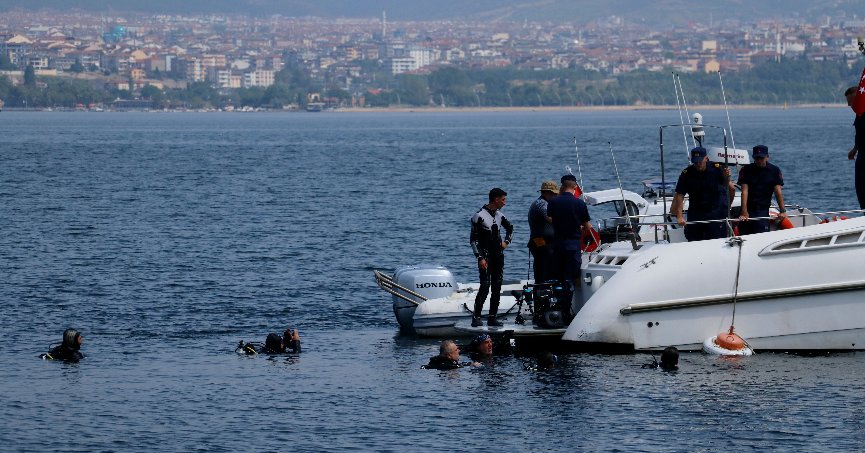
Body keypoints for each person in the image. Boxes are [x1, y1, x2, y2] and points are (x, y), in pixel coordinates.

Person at [470, 187, 514, 327]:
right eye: (503, 199)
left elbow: (510, 228)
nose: (504, 202)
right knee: (485, 285)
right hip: (486, 256)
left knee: (497, 286)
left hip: (498, 256)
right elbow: (473, 240)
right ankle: (476, 317)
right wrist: (480, 258)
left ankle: (492, 317)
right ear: (496, 199)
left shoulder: (500, 215)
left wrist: (506, 242)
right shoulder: (479, 215)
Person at [670, 147, 733, 241]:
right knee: (692, 237)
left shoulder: (717, 169)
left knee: (716, 238)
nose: (698, 164)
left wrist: (727, 176)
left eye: (700, 161)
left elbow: (726, 185)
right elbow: (680, 194)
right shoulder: (686, 173)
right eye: (695, 162)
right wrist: (679, 216)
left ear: (706, 159)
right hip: (696, 212)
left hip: (715, 211)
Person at [546, 178, 592, 295]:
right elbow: (587, 226)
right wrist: (580, 227)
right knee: (570, 277)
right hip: (573, 244)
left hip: (557, 244)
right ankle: (569, 303)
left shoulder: (553, 202)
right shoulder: (580, 203)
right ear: (575, 188)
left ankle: (559, 304)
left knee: (558, 276)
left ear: (562, 187)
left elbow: (550, 219)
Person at [737, 145, 785, 235]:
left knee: (761, 235)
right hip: (747, 208)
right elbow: (744, 191)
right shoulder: (746, 170)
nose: (759, 160)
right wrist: (744, 211)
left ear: (767, 157)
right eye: (757, 158)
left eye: (761, 158)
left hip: (762, 210)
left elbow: (778, 192)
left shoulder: (774, 170)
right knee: (743, 236)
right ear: (753, 158)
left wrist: (782, 210)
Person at [527, 180, 558, 283]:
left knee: (546, 267)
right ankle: (541, 291)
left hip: (546, 241)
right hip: (540, 241)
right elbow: (551, 218)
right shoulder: (541, 204)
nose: (556, 196)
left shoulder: (547, 203)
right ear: (546, 193)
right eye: (554, 194)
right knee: (543, 267)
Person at [845, 86, 865, 209]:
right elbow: (861, 132)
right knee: (860, 189)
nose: (849, 106)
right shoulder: (859, 113)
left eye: (850, 102)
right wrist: (855, 148)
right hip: (861, 154)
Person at [237, 328, 302, 355]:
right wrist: (296, 339)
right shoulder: (278, 353)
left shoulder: (266, 350)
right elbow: (297, 354)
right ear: (281, 345)